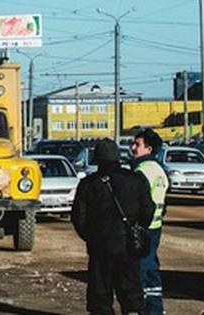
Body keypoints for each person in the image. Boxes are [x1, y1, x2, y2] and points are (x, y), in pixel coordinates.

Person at [72, 139, 155, 315]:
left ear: (97, 159)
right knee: (131, 292)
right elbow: (148, 209)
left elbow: (78, 218)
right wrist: (137, 228)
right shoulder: (136, 179)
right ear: (118, 157)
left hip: (100, 245)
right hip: (129, 245)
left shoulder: (88, 184)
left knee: (100, 295)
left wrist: (91, 236)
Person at [130, 129, 169, 315]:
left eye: (137, 144)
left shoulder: (142, 171)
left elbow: (138, 203)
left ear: (149, 149)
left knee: (139, 274)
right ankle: (155, 309)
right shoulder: (160, 171)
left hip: (142, 229)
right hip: (156, 228)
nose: (132, 148)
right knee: (152, 272)